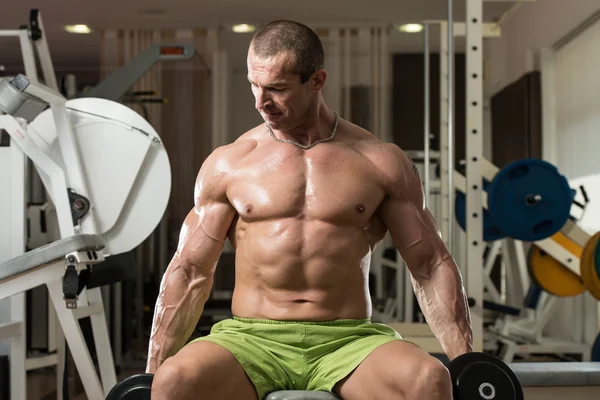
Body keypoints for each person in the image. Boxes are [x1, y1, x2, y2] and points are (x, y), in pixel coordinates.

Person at [146, 20, 473, 400]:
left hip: (349, 342)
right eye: (254, 84)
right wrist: (153, 369)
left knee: (430, 381)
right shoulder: (230, 164)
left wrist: (467, 363)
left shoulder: (379, 161)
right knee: (172, 383)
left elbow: (429, 264)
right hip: (250, 341)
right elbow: (190, 270)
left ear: (316, 81)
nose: (260, 102)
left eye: (277, 89)